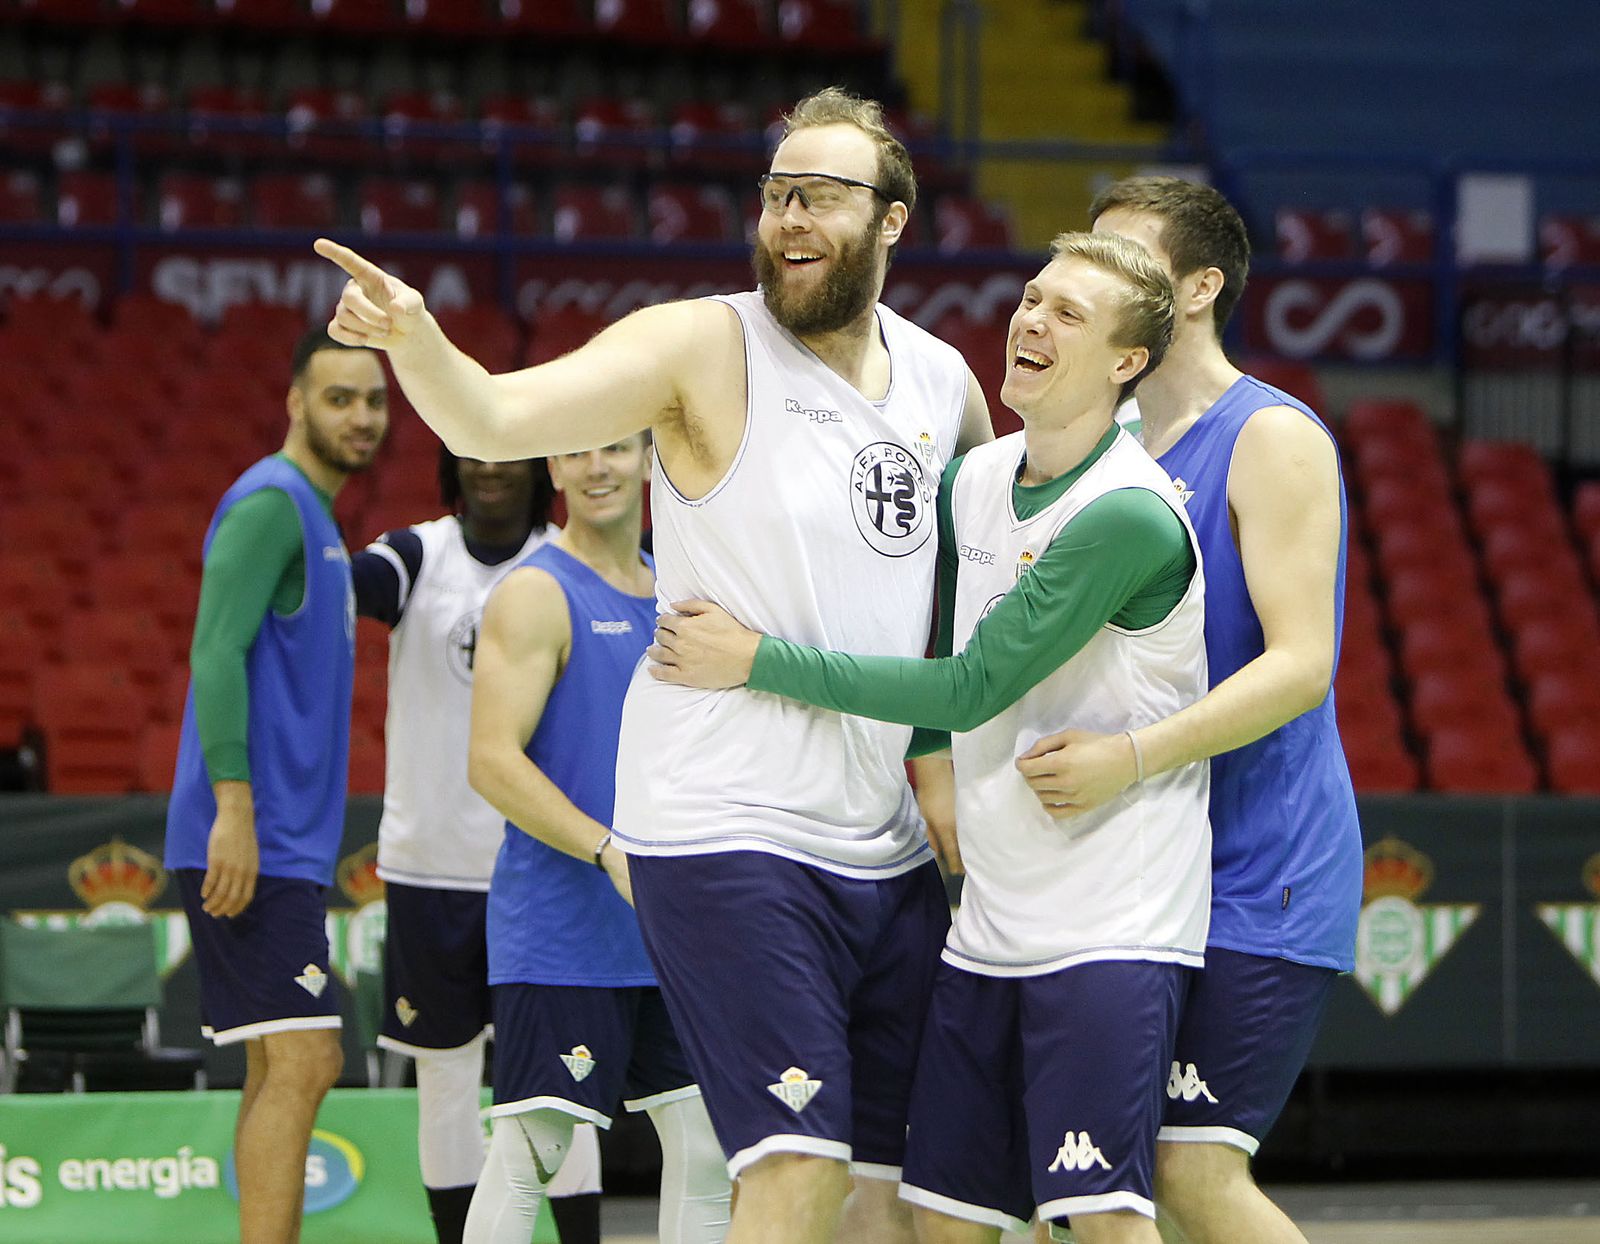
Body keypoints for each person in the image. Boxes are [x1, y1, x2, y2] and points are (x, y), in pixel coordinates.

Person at [315, 85, 992, 1244]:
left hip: (879, 844)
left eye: (822, 196)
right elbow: (489, 417)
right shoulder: (699, 343)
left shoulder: (942, 384)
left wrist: (944, 769)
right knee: (790, 1163)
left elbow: (971, 593)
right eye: (777, 193)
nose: (789, 218)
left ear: (891, 219)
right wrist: (420, 342)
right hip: (724, 825)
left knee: (902, 1190)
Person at [648, 231, 1209, 1244]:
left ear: (1128, 363)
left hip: (1109, 923)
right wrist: (931, 769)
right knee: (942, 1219)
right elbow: (924, 621)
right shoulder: (976, 479)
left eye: (1067, 313)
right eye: (1032, 297)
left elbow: (967, 684)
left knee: (1104, 1220)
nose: (1031, 318)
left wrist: (755, 656)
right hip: (988, 927)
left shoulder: (1128, 514)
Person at [1015, 177, 1363, 1244]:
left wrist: (1127, 756)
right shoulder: (1098, 451)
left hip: (1261, 866)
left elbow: (1303, 665)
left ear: (1201, 287)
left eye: (1129, 261)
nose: (1099, 283)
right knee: (1083, 1177)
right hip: (1131, 867)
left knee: (1190, 1169)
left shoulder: (1270, 437)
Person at [463, 434, 731, 1244]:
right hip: (563, 930)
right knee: (529, 1152)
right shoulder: (535, 593)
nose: (598, 467)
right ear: (552, 468)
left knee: (708, 1147)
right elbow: (489, 762)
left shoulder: (680, 591)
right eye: (576, 452)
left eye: (616, 447)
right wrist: (607, 850)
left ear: (651, 458)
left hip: (672, 928)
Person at [163, 328, 387, 1244]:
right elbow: (214, 652)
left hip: (287, 839)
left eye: (373, 400)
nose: (361, 417)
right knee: (307, 1058)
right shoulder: (271, 503)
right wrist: (234, 811)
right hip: (252, 834)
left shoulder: (321, 523)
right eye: (339, 397)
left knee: (279, 1064)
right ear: (296, 402)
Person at [349, 447, 603, 1244]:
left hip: (546, 866)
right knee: (446, 1081)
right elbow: (330, 584)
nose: (489, 467)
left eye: (507, 454)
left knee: (566, 1083)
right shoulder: (415, 555)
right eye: (471, 453)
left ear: (541, 472)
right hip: (431, 868)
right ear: (449, 470)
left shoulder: (569, 566)